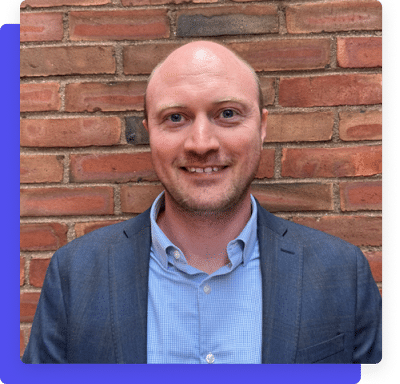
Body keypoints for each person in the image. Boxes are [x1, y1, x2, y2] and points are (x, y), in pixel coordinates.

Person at [22, 40, 382, 364]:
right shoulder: (76, 274)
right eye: (175, 117)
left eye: (227, 113)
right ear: (150, 132)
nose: (201, 143)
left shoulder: (340, 273)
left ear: (261, 126)